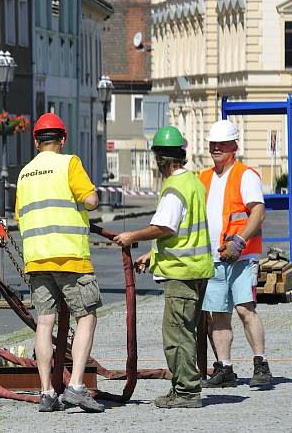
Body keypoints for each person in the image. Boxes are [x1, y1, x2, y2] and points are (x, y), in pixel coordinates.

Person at [113, 126, 214, 409]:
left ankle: (186, 392)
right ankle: (183, 387)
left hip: (182, 273)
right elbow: (182, 232)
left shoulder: (174, 189)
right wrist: (152, 254)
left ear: (161, 160)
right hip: (196, 269)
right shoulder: (194, 182)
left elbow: (165, 225)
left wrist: (132, 236)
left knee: (177, 335)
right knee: (186, 332)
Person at [14, 113, 103, 413]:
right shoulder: (69, 164)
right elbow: (90, 200)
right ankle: (77, 385)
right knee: (86, 316)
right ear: (63, 139)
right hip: (70, 256)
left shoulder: (25, 173)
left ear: (35, 140)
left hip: (37, 259)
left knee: (44, 322)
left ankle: (46, 392)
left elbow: (20, 215)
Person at [199, 119, 272, 389]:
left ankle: (261, 364)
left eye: (223, 144)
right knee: (217, 314)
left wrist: (239, 242)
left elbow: (258, 213)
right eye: (213, 144)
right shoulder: (204, 177)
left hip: (240, 258)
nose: (217, 148)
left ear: (234, 146)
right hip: (215, 259)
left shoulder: (245, 175)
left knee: (245, 309)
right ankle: (225, 368)